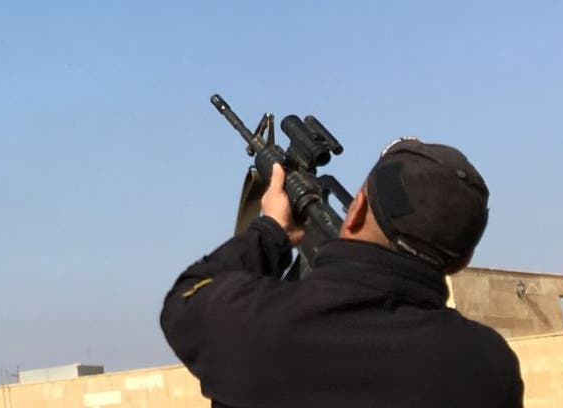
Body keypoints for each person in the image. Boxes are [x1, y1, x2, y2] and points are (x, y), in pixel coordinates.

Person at [159, 139, 524, 407]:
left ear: (357, 208)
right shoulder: (488, 365)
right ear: (462, 260)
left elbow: (186, 298)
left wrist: (271, 231)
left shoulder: (256, 324)